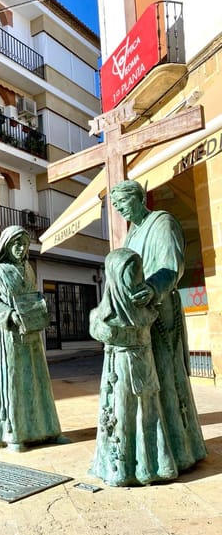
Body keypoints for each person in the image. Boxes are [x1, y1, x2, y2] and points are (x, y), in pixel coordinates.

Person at [109, 180, 207, 471]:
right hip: (139, 314)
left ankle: (179, 449)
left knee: (166, 374)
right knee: (147, 383)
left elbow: (170, 265)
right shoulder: (132, 233)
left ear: (139, 198)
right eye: (115, 206)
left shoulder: (162, 222)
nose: (120, 209)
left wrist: (152, 288)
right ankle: (154, 449)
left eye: (123, 203)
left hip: (161, 310)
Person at [89, 247, 178, 486]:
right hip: (119, 373)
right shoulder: (103, 314)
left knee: (148, 415)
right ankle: (121, 469)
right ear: (117, 275)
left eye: (137, 272)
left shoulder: (144, 307)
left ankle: (152, 467)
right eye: (131, 273)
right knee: (121, 416)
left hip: (144, 368)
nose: (136, 278)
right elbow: (100, 328)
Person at [0, 225, 69, 452]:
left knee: (38, 381)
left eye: (24, 245)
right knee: (14, 381)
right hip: (9, 334)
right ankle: (14, 434)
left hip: (31, 333)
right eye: (16, 244)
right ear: (6, 245)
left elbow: (31, 296)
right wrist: (9, 314)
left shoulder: (28, 268)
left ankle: (47, 429)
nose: (21, 249)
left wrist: (40, 307)